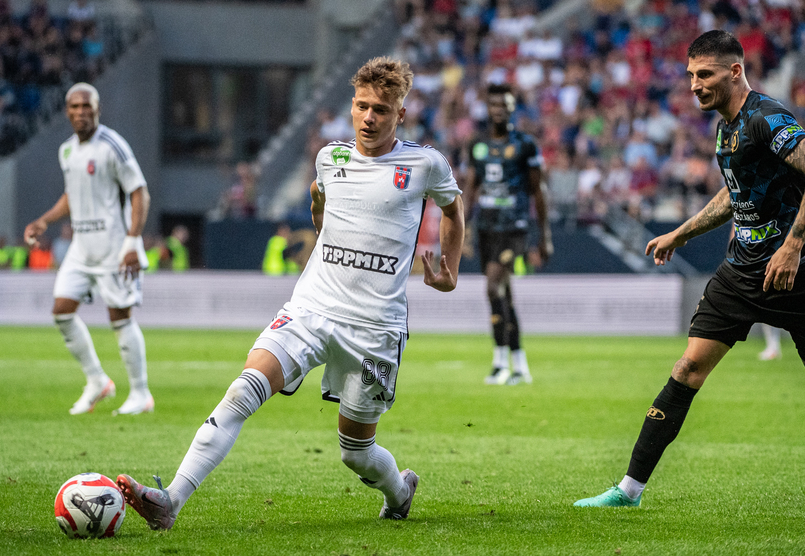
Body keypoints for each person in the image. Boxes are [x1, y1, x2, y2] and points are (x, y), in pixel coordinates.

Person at [116, 56, 465, 529]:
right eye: (361, 106)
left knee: (355, 451)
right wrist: (320, 210)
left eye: (381, 110)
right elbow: (325, 217)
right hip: (311, 308)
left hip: (375, 328)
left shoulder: (425, 164)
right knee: (243, 389)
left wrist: (450, 269)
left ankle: (399, 492)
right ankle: (170, 501)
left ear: (400, 114)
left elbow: (453, 208)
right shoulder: (330, 158)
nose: (368, 117)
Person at [574, 29, 805, 508]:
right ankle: (629, 491)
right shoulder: (726, 126)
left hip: (798, 272)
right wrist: (680, 233)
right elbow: (735, 194)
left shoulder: (766, 117)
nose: (694, 85)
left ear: (735, 71)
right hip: (742, 271)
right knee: (688, 367)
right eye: (691, 75)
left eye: (704, 74)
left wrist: (793, 245)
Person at [23, 82, 153, 416]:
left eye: (87, 106)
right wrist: (44, 221)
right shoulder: (67, 151)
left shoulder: (113, 146)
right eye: (75, 106)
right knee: (62, 312)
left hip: (114, 247)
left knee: (120, 318)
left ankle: (141, 393)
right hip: (81, 247)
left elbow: (139, 192)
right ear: (67, 112)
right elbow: (72, 194)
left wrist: (132, 241)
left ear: (98, 109)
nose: (81, 112)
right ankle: (97, 381)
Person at [465, 83, 552, 386]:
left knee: (492, 287)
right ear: (487, 109)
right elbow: (471, 188)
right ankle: (520, 365)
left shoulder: (526, 145)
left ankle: (500, 362)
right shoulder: (477, 145)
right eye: (494, 105)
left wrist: (544, 236)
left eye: (505, 105)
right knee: (504, 295)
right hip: (486, 228)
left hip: (514, 227)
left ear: (513, 108)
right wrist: (463, 227)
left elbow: (538, 191)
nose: (499, 110)